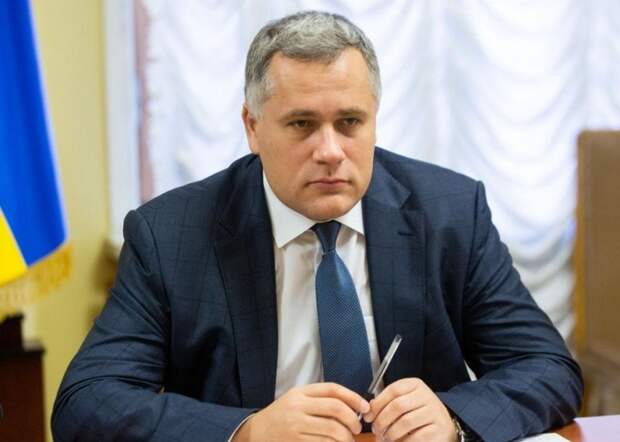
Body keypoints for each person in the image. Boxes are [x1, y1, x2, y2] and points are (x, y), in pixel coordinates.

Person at [52, 11, 582, 442]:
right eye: (302, 124)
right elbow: (87, 401)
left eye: (349, 122)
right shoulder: (171, 233)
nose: (330, 151)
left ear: (374, 119)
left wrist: (452, 417)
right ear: (253, 127)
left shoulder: (450, 212)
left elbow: (547, 367)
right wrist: (247, 431)